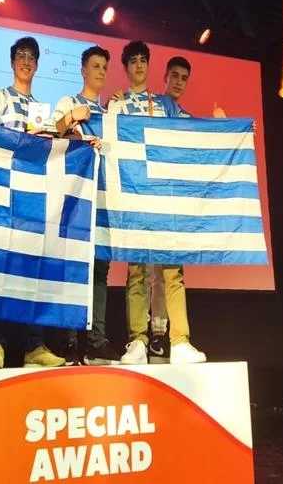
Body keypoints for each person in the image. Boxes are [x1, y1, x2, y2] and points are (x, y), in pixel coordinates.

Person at [111, 41, 207, 365]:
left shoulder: (165, 104)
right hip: (135, 197)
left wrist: (225, 126)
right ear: (126, 67)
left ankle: (179, 341)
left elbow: (194, 131)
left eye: (143, 60)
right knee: (137, 271)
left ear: (149, 66)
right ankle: (137, 341)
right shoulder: (117, 104)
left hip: (164, 198)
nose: (139, 65)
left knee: (172, 271)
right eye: (133, 61)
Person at [0, 36, 67, 369]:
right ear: (12, 61)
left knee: (33, 271)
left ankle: (33, 346)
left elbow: (51, 151)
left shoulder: (42, 110)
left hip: (33, 197)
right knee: (0, 269)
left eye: (32, 57)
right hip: (3, 192)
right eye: (21, 56)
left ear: (37, 65)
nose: (26, 61)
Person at [51, 46, 122, 366]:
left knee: (100, 270)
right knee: (72, 266)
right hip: (75, 197)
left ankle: (96, 341)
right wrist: (72, 119)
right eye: (95, 66)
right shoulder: (69, 102)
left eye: (104, 67)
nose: (100, 71)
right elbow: (51, 132)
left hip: (103, 197)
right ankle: (69, 341)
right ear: (83, 70)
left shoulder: (109, 112)